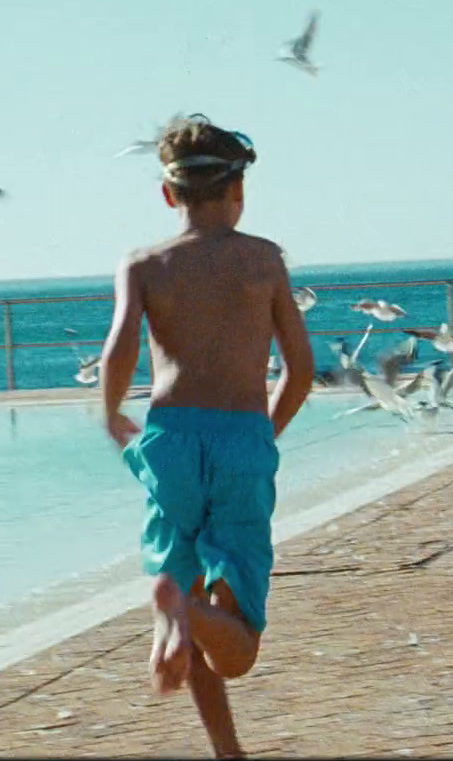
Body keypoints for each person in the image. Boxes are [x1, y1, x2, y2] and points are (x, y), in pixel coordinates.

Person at [99, 114, 315, 759]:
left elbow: (120, 346)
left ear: (169, 194)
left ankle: (227, 749)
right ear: (239, 190)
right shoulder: (263, 260)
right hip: (240, 437)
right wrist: (261, 434)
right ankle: (183, 613)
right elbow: (299, 371)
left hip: (171, 437)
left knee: (187, 590)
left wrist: (112, 414)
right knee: (238, 640)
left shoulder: (144, 264)